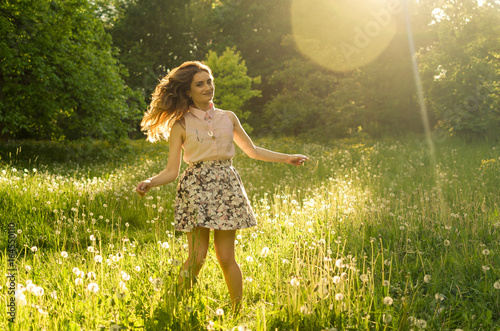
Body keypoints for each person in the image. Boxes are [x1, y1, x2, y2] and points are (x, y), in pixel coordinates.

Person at [135, 61, 308, 311]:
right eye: (200, 84)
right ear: (187, 92)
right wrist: (150, 182)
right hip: (196, 190)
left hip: (227, 190)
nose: (208, 87)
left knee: (227, 257)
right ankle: (174, 306)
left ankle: (237, 310)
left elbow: (253, 150)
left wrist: (287, 157)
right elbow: (172, 171)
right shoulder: (181, 125)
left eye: (209, 82)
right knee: (197, 257)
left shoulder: (228, 118)